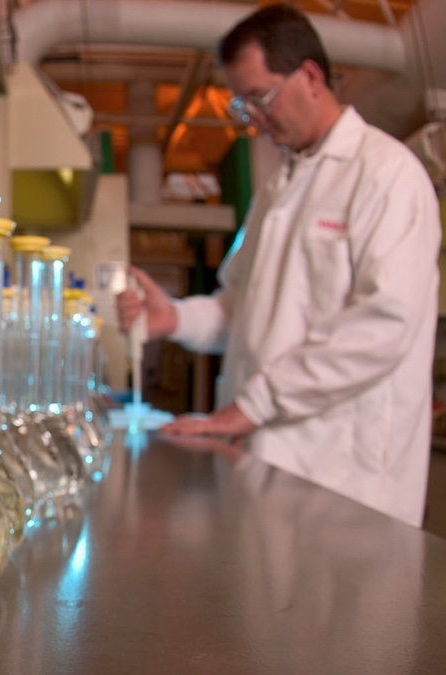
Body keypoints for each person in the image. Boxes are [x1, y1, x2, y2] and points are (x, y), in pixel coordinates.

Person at [116, 3, 441, 528]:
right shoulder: (277, 188)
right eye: (242, 107)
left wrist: (252, 404)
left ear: (310, 76)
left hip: (348, 477)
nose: (253, 119)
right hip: (267, 460)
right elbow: (241, 306)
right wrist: (174, 318)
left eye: (259, 98)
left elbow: (385, 322)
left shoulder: (387, 175)